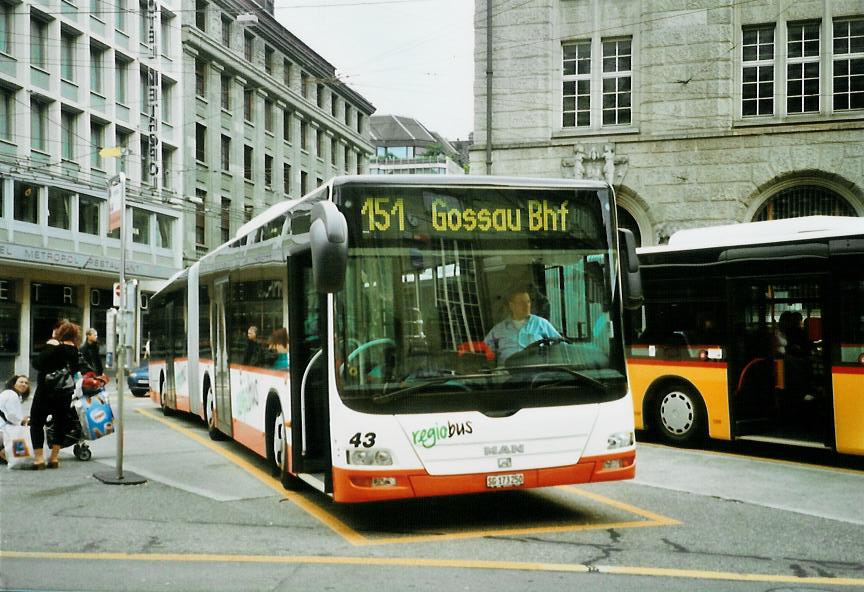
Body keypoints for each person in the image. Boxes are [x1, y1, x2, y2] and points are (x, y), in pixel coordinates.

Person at [29, 319, 82, 470]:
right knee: (60, 423)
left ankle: (39, 459)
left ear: (59, 333)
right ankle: (54, 457)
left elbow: (37, 364)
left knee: (36, 423)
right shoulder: (75, 350)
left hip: (45, 391)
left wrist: (50, 345)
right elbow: (76, 369)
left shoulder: (53, 346)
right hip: (64, 392)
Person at [484, 290, 561, 363]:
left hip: (536, 372)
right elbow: (485, 351)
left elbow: (561, 345)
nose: (526, 306)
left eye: (528, 302)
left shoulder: (541, 323)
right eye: (521, 303)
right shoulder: (499, 329)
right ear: (511, 305)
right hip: (506, 372)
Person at [0, 375, 31, 465]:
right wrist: (23, 422)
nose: (24, 384)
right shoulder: (12, 395)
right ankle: (9, 454)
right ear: (14, 384)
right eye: (21, 382)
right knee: (22, 432)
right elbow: (12, 416)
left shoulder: (8, 393)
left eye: (26, 383)